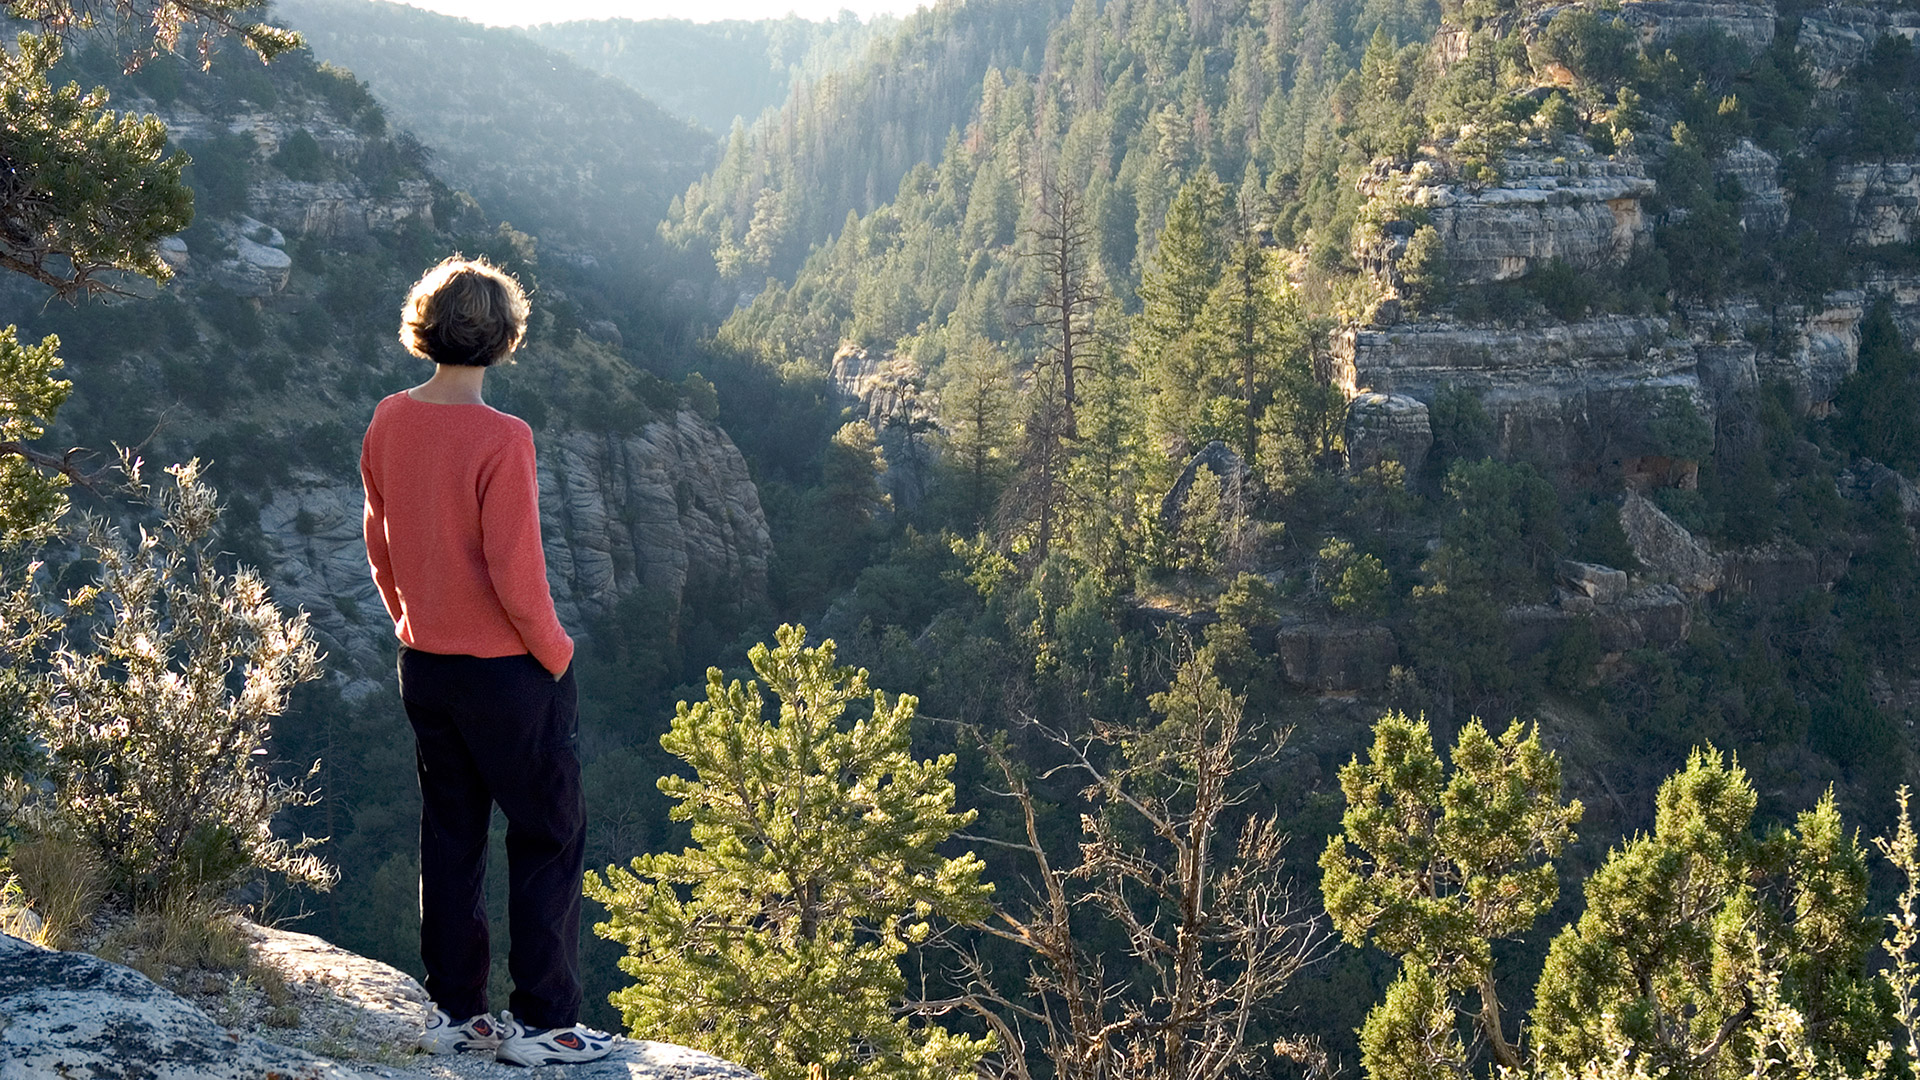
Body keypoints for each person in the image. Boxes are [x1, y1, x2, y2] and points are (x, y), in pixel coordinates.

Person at [360, 256, 615, 1066]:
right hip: (508, 672)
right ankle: (544, 1026)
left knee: (452, 833)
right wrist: (556, 652)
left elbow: (379, 539)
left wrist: (407, 619)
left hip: (426, 665)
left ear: (423, 328)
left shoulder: (388, 421)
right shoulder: (505, 439)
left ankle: (456, 1011)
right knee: (547, 833)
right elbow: (515, 571)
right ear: (505, 338)